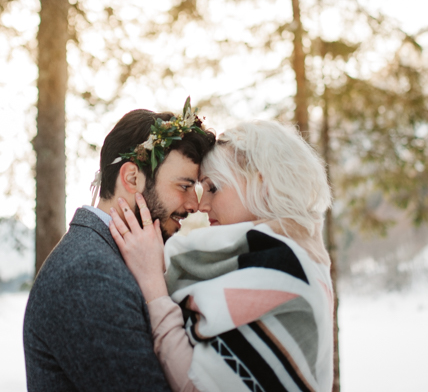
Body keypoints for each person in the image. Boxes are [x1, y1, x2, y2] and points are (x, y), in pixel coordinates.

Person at [110, 120, 334, 392]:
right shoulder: (265, 256)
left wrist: (152, 285)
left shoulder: (286, 266)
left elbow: (195, 386)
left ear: (261, 183)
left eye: (213, 188)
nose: (201, 206)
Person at [23, 100, 216, 392]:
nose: (195, 205)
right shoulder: (88, 275)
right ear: (132, 177)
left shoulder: (118, 257)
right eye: (184, 186)